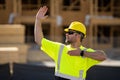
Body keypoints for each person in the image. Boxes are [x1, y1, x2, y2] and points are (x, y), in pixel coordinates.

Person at [34, 6, 107, 80]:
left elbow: (103, 56)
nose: (66, 34)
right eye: (67, 32)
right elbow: (39, 40)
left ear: (78, 35)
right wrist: (38, 20)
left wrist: (81, 53)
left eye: (70, 32)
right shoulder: (59, 49)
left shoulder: (85, 52)